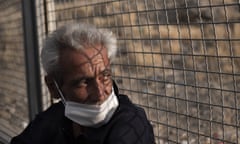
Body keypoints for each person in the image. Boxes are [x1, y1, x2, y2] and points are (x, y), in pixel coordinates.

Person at [10, 23, 155, 144]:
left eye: (105, 77)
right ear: (53, 87)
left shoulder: (130, 126)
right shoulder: (53, 120)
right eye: (84, 83)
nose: (99, 93)